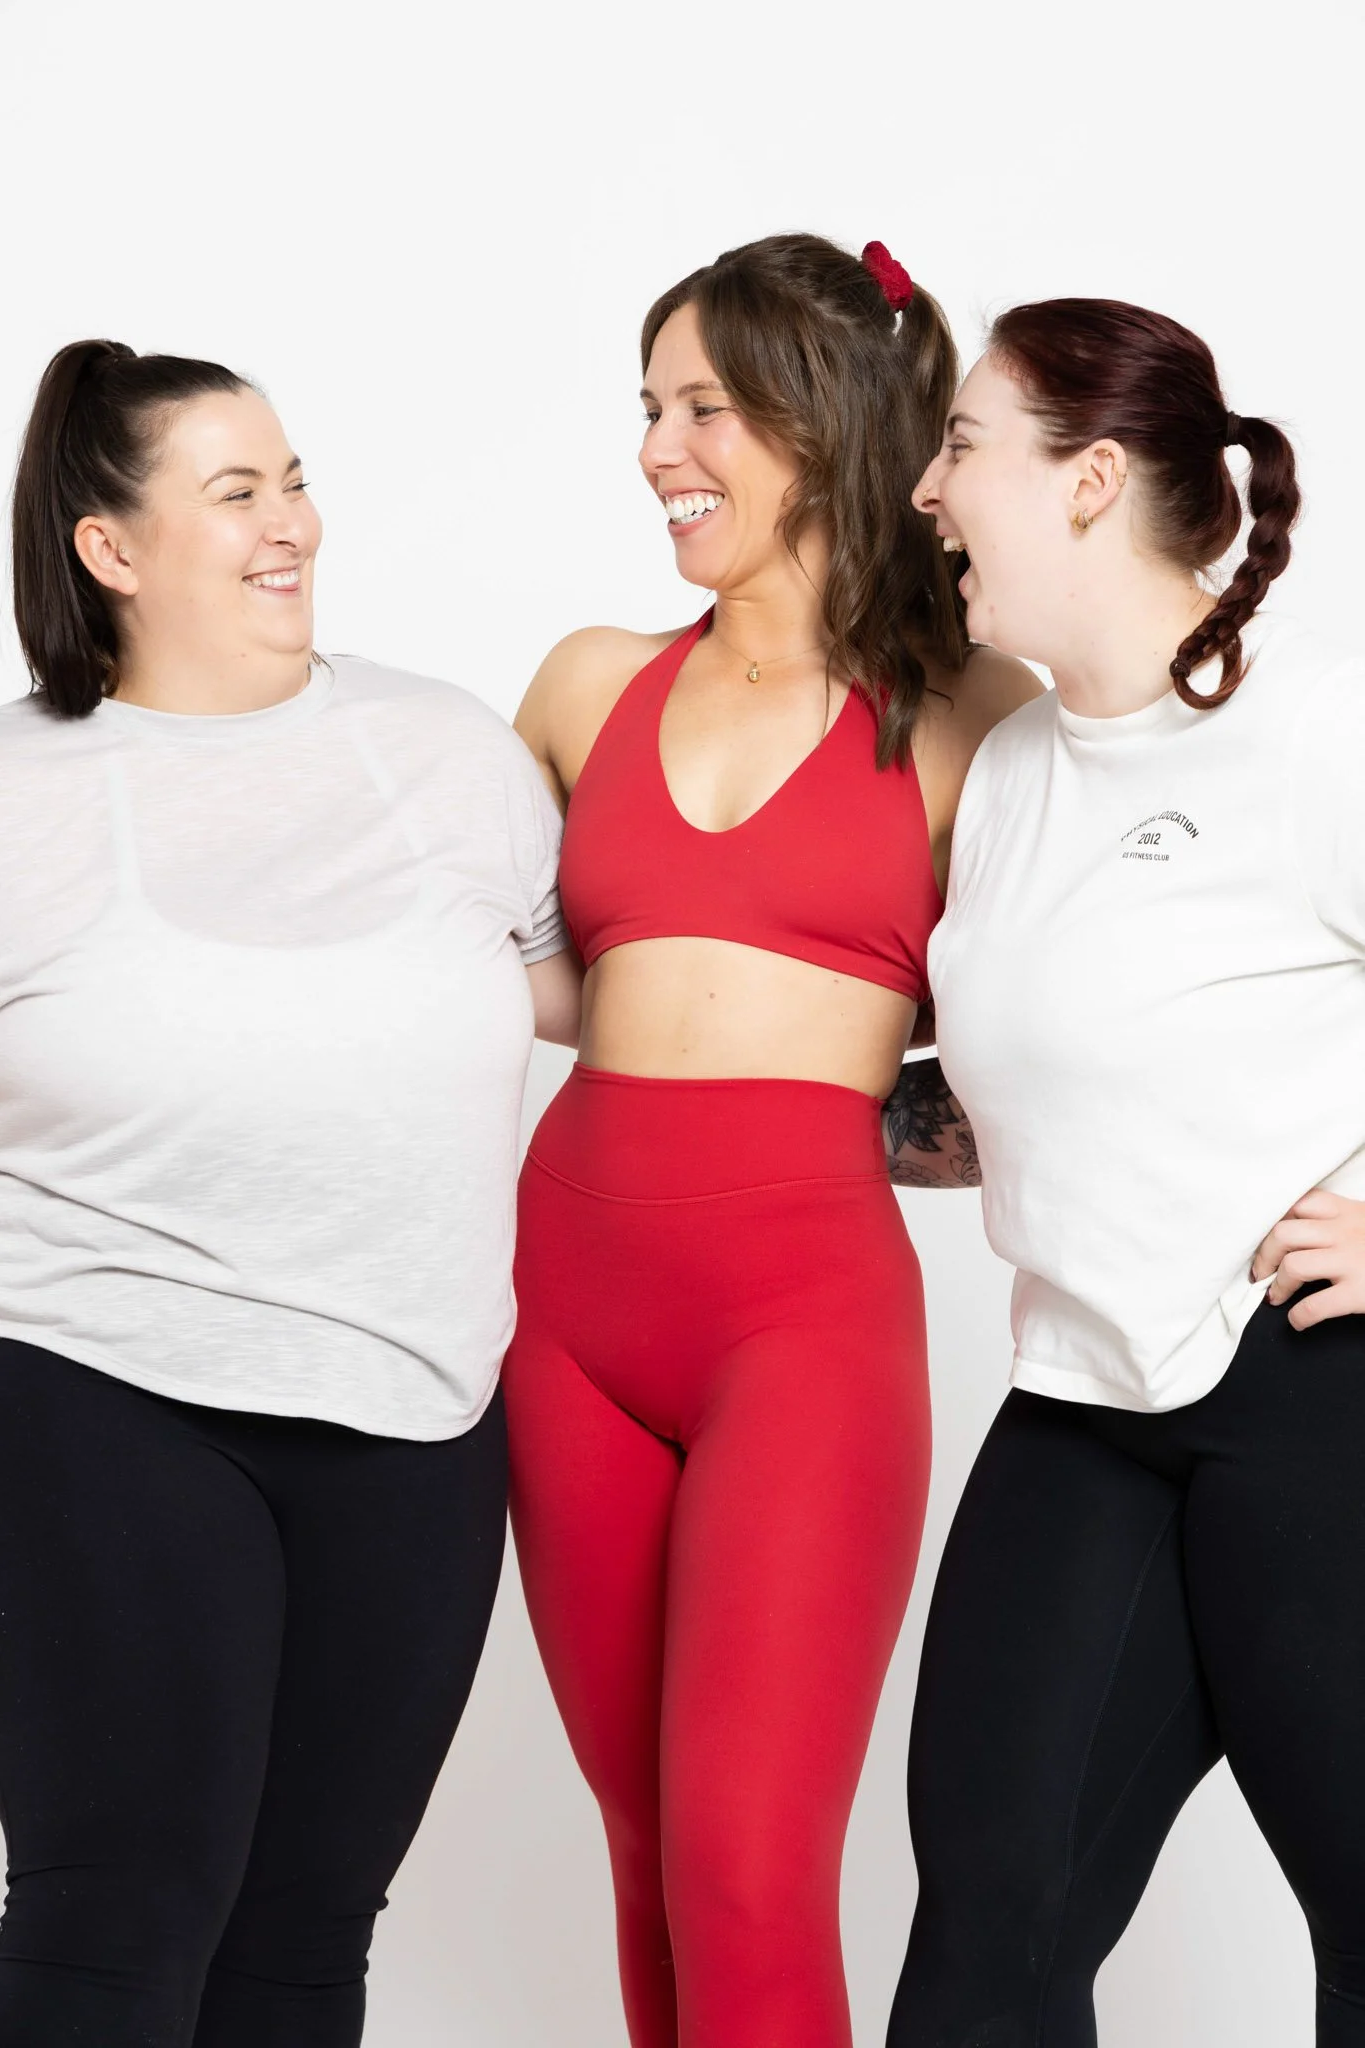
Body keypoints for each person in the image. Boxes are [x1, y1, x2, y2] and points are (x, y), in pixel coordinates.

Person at [0, 339, 579, 2048]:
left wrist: (912, 1107)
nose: (293, 525)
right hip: (100, 1383)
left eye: (298, 481)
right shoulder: (20, 790)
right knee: (115, 1920)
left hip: (417, 1407)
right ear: (110, 546)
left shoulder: (447, 750)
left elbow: (629, 1012)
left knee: (308, 1939)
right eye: (237, 491)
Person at [504, 233, 1039, 2048]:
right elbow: (450, 967)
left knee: (745, 1868)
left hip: (797, 1322)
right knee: (647, 1852)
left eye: (702, 409)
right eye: (648, 408)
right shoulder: (586, 684)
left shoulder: (977, 718)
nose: (655, 449)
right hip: (562, 1311)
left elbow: (1093, 1029)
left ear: (822, 424)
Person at [888, 297, 1365, 2046]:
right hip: (1082, 1400)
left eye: (959, 446)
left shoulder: (1314, 726)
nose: (926, 492)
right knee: (985, 1946)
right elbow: (1015, 1104)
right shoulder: (1016, 769)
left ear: (1087, 481)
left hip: (1311, 1393)